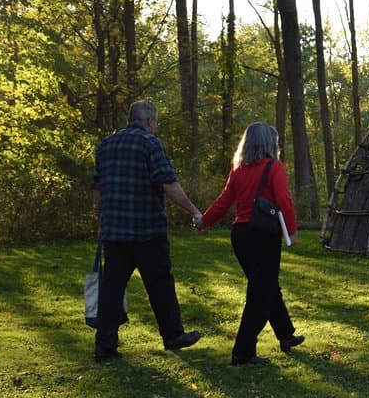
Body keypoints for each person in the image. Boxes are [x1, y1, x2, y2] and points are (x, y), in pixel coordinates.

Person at [91, 100, 203, 362]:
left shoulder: (106, 145)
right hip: (146, 230)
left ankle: (104, 346)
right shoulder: (150, 143)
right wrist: (195, 211)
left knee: (111, 289)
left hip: (114, 230)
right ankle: (173, 335)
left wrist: (101, 217)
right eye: (156, 122)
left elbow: (96, 187)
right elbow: (167, 182)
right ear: (150, 121)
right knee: (160, 284)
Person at [199, 123, 303, 366]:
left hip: (241, 235)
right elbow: (284, 200)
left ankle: (285, 334)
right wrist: (291, 230)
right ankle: (243, 352)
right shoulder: (274, 167)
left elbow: (224, 201)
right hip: (263, 235)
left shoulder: (238, 171)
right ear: (269, 143)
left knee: (265, 285)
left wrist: (205, 221)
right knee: (260, 294)